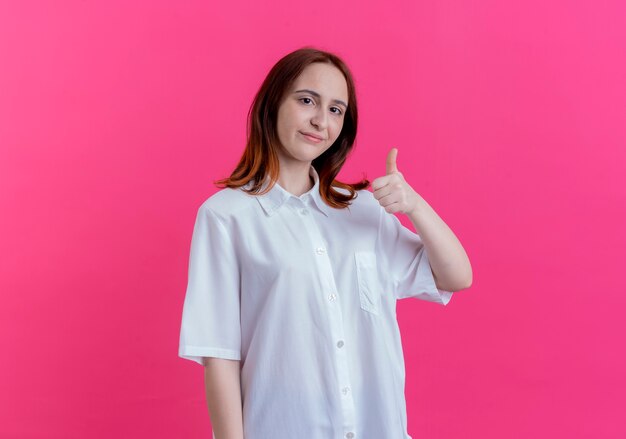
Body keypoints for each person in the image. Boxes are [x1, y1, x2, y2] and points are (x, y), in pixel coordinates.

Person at [178, 46, 472, 439]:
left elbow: (456, 277)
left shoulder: (364, 212)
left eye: (336, 109)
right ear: (273, 103)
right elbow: (220, 357)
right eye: (306, 101)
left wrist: (415, 206)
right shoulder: (225, 216)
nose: (321, 120)